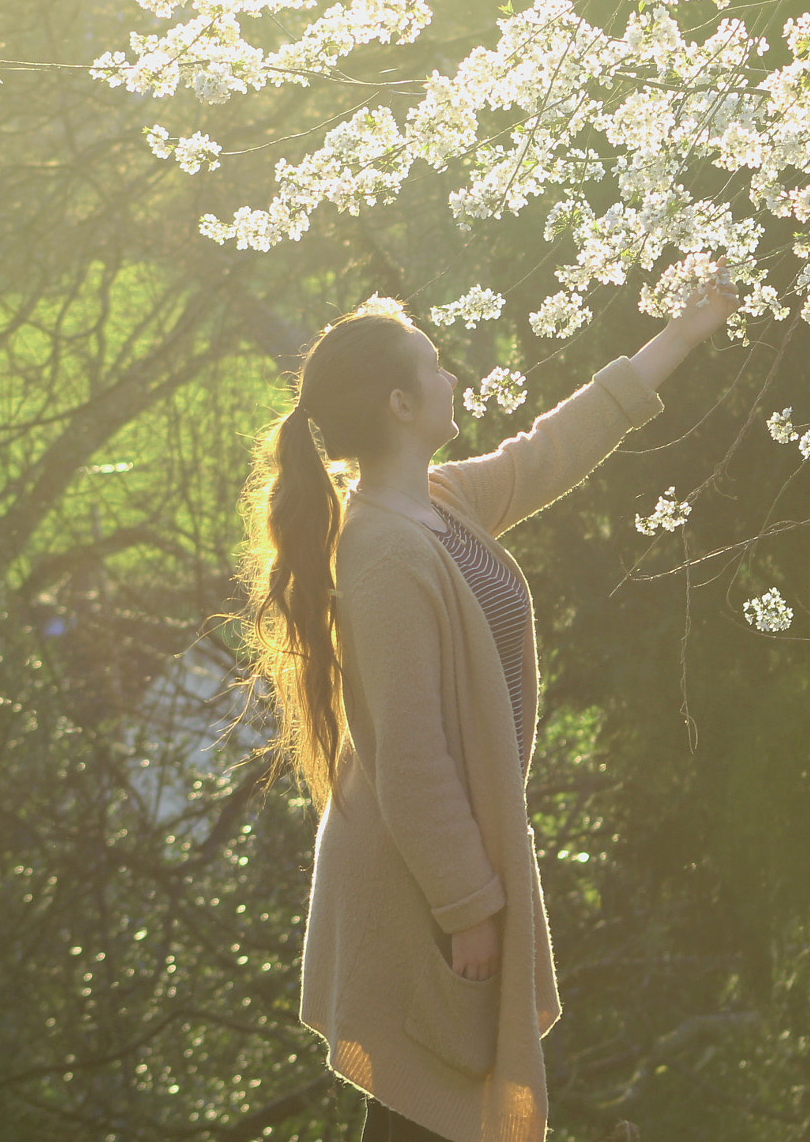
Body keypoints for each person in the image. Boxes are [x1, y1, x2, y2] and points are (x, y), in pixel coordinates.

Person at [235, 281, 737, 1142]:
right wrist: (467, 904)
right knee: (430, 1112)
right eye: (434, 366)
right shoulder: (384, 552)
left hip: (440, 865)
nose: (450, 376)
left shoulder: (439, 504)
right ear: (400, 404)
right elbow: (413, 756)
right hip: (417, 880)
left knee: (432, 1111)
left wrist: (680, 336)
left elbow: (552, 450)